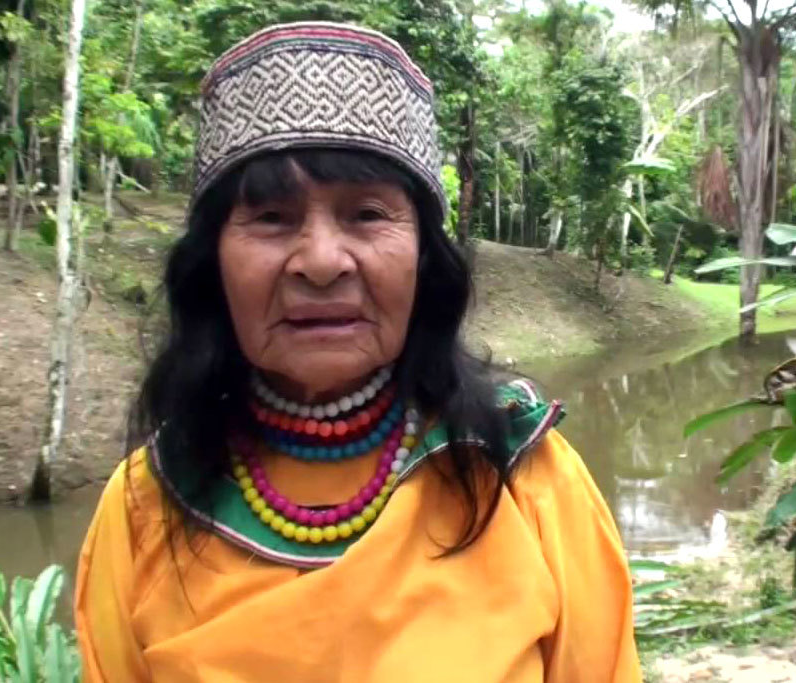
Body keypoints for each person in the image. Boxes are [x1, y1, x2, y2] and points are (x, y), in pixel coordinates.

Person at [74, 21, 642, 682]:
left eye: (367, 214)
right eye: (272, 218)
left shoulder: (520, 474)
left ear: (425, 258)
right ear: (213, 263)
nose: (320, 262)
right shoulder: (148, 503)